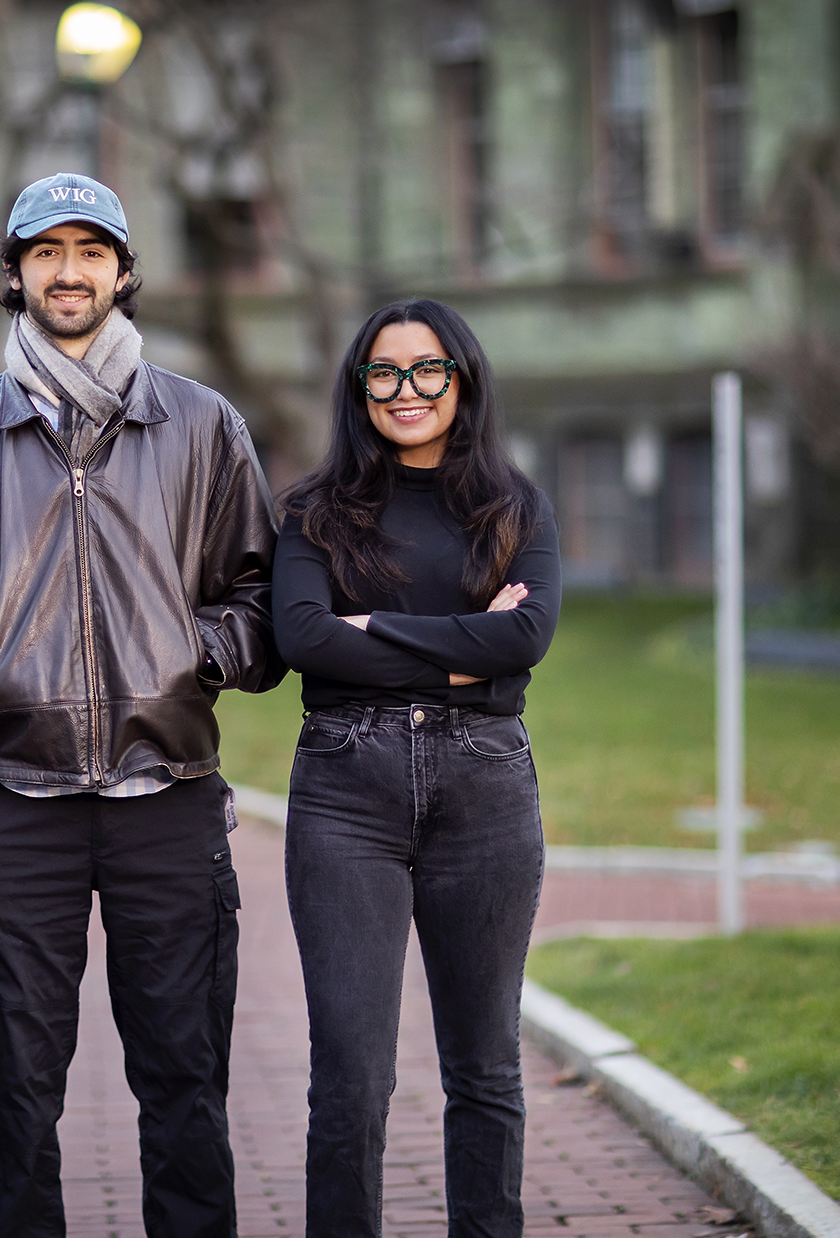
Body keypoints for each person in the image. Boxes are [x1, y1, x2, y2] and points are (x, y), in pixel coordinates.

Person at [0, 173, 283, 1238]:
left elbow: (259, 600)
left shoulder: (200, 424)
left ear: (123, 270)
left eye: (89, 250)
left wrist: (190, 653)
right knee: (13, 1093)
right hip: (16, 804)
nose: (68, 270)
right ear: (13, 274)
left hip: (171, 797)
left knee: (186, 1084)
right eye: (45, 251)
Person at [272, 299, 560, 1238]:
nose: (407, 390)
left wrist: (373, 629)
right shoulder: (316, 511)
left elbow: (528, 636)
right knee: (351, 1073)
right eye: (384, 373)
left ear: (462, 378)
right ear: (359, 390)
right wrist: (466, 651)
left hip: (485, 789)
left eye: (427, 369)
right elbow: (302, 637)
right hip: (345, 790)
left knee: (484, 1066)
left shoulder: (516, 506)